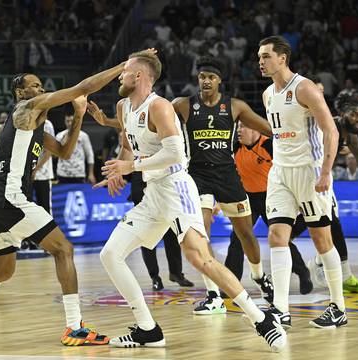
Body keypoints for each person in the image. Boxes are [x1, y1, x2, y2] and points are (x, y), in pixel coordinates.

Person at [0, 55, 146, 346]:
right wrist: (125, 67)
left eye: (41, 86)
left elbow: (63, 151)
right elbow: (82, 86)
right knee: (64, 249)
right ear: (21, 93)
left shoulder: (37, 126)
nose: (41, 89)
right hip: (8, 195)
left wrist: (78, 117)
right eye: (35, 86)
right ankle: (74, 326)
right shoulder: (26, 108)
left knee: (4, 271)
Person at [92, 50, 285, 351]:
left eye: (125, 70)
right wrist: (120, 167)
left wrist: (131, 166)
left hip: (176, 187)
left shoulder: (160, 108)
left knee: (200, 258)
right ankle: (148, 329)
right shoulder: (122, 107)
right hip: (152, 192)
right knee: (110, 254)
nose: (119, 75)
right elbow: (130, 146)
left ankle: (261, 319)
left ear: (139, 76)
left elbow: (176, 154)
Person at [171, 55, 275, 314]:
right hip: (198, 175)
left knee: (246, 234)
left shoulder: (235, 106)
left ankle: (260, 276)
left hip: (228, 175)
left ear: (219, 80)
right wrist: (113, 123)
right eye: (202, 77)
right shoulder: (182, 105)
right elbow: (151, 120)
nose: (206, 81)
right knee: (201, 234)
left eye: (211, 77)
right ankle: (213, 294)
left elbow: (270, 129)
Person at [258, 35, 346, 329]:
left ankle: (338, 307)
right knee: (276, 236)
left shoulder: (304, 87)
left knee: (322, 240)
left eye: (266, 56)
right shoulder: (268, 94)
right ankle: (281, 309)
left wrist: (325, 171)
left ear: (282, 58)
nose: (261, 61)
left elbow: (331, 131)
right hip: (280, 173)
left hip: (309, 172)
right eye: (259, 57)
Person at [290, 93, 358, 293]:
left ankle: (337, 272)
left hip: (321, 181)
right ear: (342, 114)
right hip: (303, 177)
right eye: (354, 114)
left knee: (331, 222)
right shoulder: (327, 125)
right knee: (301, 227)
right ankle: (306, 263)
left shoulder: (349, 135)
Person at [229, 122, 313, 295]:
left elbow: (287, 171)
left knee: (281, 239)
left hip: (271, 196)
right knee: (237, 238)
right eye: (237, 128)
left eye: (243, 127)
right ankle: (231, 282)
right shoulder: (236, 147)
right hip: (249, 198)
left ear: (254, 129)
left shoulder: (269, 145)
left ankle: (303, 272)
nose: (238, 131)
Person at [55, 113, 96, 184]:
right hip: (62, 173)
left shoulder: (83, 136)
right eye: (67, 121)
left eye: (71, 121)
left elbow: (90, 154)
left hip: (79, 173)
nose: (70, 123)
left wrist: (91, 173)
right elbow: (54, 155)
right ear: (65, 122)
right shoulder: (59, 136)